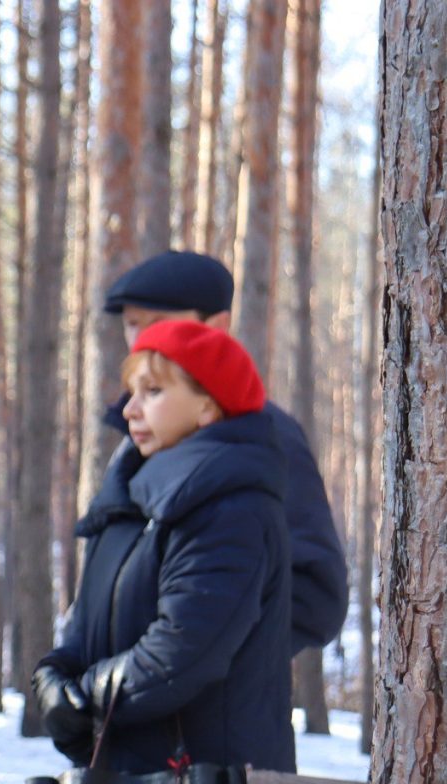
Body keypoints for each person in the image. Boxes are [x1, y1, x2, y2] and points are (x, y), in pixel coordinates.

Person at [34, 320, 295, 784]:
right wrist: (52, 682)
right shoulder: (130, 508)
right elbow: (81, 635)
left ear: (209, 405)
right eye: (130, 391)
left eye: (154, 390)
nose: (130, 408)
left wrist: (81, 698)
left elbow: (184, 652)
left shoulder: (232, 508)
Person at [102, 250, 349, 654]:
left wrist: (201, 656)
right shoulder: (135, 437)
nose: (144, 340)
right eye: (132, 325)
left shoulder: (267, 437)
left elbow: (317, 598)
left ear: (217, 326)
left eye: (161, 323)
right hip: (123, 701)